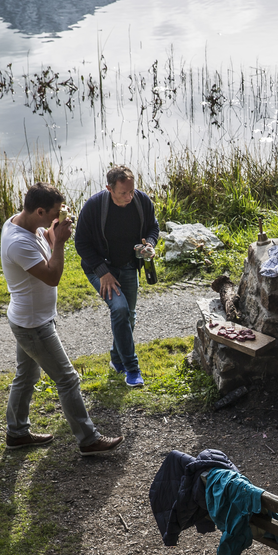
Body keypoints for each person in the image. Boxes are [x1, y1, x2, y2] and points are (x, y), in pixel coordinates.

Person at [2, 182, 123, 456]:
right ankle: (88, 440)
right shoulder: (17, 243)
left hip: (27, 319)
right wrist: (62, 243)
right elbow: (53, 276)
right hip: (33, 325)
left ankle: (17, 433)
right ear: (40, 210)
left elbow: (44, 240)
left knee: (25, 376)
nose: (57, 218)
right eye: (54, 214)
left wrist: (53, 234)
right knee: (68, 379)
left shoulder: (20, 223)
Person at [74, 165, 160, 388]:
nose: (130, 197)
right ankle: (132, 369)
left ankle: (116, 360)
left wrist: (150, 243)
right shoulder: (94, 206)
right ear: (109, 189)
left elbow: (153, 227)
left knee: (129, 317)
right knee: (120, 309)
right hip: (100, 269)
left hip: (130, 266)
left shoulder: (141, 201)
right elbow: (81, 243)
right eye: (124, 193)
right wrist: (103, 273)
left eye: (132, 191)